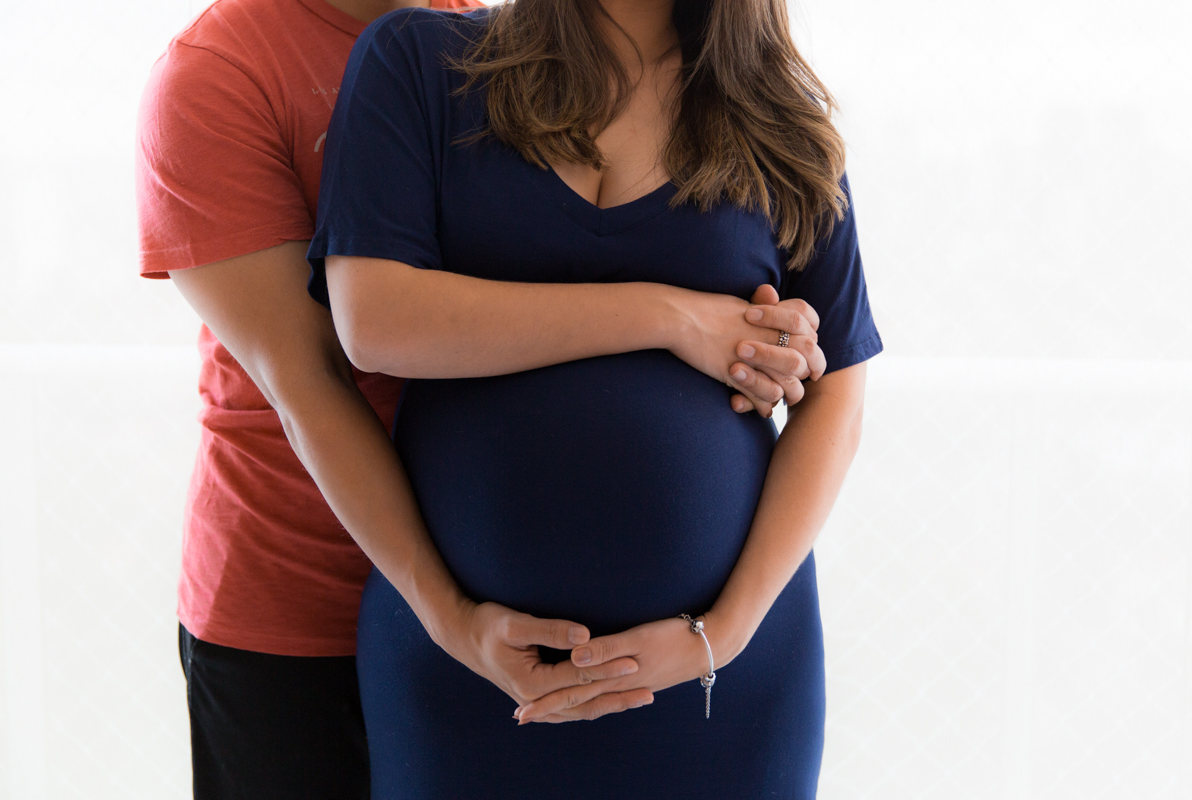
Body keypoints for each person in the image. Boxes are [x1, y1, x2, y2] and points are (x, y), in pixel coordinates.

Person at [135, 0, 824, 795]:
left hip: (513, 607)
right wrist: (444, 612)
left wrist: (768, 340)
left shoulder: (491, 37)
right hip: (302, 607)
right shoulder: (221, 72)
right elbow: (314, 379)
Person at [306, 0, 882, 797]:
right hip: (465, 668)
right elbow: (374, 322)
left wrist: (726, 632)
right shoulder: (421, 63)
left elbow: (839, 391)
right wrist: (669, 317)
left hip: (722, 688)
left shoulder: (776, 112)